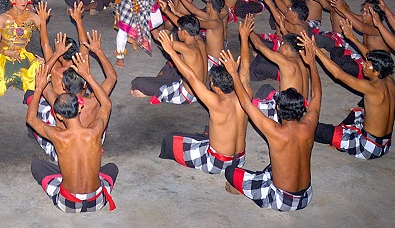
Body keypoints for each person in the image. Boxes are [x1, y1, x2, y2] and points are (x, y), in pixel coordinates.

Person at [220, 31, 321, 211]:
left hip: (281, 200)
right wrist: (312, 64)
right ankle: (258, 184)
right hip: (307, 196)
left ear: (279, 109)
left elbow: (245, 102)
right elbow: (317, 94)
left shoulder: (274, 130)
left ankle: (251, 191)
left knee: (230, 172)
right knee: (280, 162)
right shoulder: (310, 124)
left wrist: (234, 74)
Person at [26, 53, 118, 213]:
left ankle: (63, 181)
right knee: (112, 168)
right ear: (80, 107)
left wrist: (39, 86)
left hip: (67, 203)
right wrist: (87, 75)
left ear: (59, 115)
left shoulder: (57, 135)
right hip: (97, 201)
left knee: (37, 165)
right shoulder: (95, 131)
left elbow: (31, 119)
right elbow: (107, 104)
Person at [157, 30, 248, 174]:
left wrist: (171, 52)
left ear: (215, 87)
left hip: (217, 163)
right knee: (206, 134)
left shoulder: (216, 103)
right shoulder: (245, 95)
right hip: (240, 159)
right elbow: (246, 68)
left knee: (169, 141)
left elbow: (191, 77)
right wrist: (244, 37)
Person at [313, 44, 395, 159]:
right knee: (357, 112)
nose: (363, 64)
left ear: (376, 71)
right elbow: (372, 56)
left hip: (368, 147)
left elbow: (338, 74)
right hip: (385, 144)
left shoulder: (371, 87)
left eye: (367, 64)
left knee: (315, 129)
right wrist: (352, 37)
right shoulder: (389, 79)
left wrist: (316, 50)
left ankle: (338, 140)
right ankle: (339, 137)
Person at [131, 14, 208, 105]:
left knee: (137, 83)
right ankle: (160, 84)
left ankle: (158, 92)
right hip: (201, 90)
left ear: (184, 32)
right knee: (170, 66)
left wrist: (148, 19)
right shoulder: (199, 41)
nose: (177, 31)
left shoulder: (186, 48)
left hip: (186, 95)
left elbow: (158, 37)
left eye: (179, 29)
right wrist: (167, 11)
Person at [0, 0, 45, 95]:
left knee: (38, 76)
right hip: (5, 54)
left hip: (22, 53)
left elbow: (44, 39)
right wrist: (6, 52)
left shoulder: (33, 17)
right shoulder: (2, 18)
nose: (24, 1)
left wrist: (43, 21)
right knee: (10, 77)